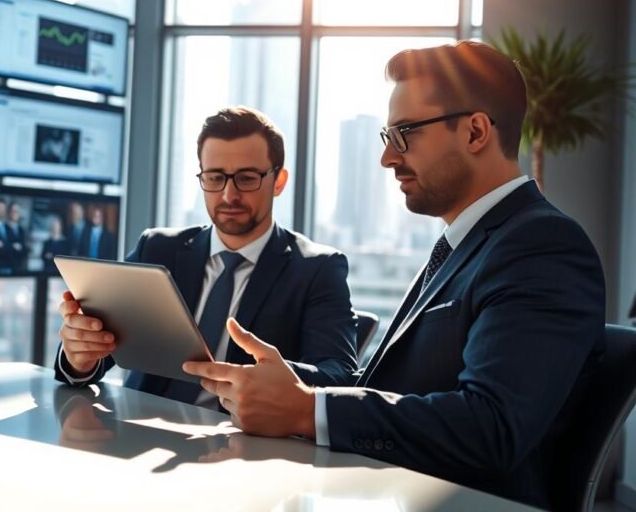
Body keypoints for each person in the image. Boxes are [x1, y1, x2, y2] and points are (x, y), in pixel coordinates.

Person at [183, 42, 605, 509]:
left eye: (404, 134)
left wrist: (307, 409)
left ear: (476, 131)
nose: (387, 158)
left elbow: (491, 427)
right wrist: (280, 384)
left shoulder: (542, 245)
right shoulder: (464, 243)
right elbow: (394, 386)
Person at [55, 106, 358, 409]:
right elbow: (100, 349)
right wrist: (80, 357)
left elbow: (339, 376)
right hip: (135, 429)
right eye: (215, 178)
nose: (228, 196)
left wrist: (277, 377)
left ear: (278, 182)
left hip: (241, 442)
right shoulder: (157, 249)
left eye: (247, 178)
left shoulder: (317, 269)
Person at [6, 201, 29, 272]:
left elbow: (25, 248)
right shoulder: (3, 228)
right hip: (7, 266)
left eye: (17, 212)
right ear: (9, 212)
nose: (15, 214)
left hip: (20, 268)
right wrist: (13, 246)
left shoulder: (22, 230)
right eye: (13, 211)